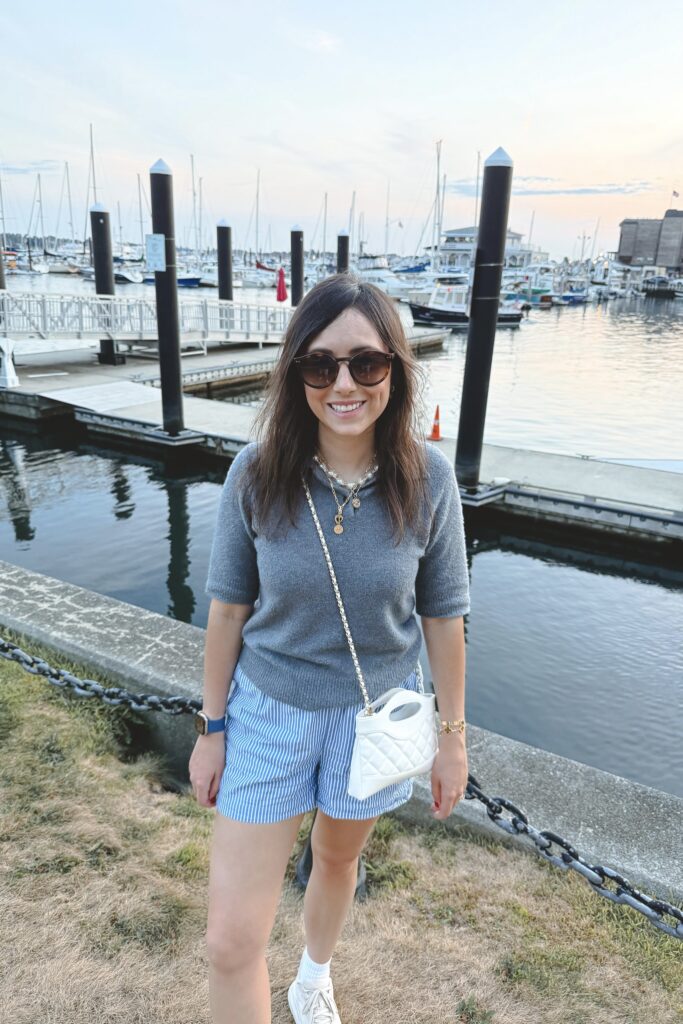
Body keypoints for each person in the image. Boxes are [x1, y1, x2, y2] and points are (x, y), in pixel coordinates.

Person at [189, 274, 471, 1024]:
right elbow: (226, 611)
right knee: (228, 942)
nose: (342, 384)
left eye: (365, 364)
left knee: (338, 859)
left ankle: (313, 975)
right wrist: (211, 729)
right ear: (295, 374)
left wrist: (452, 739)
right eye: (320, 365)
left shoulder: (428, 480)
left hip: (372, 717)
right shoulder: (256, 474)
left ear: (395, 370)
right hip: (267, 717)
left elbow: (444, 618)